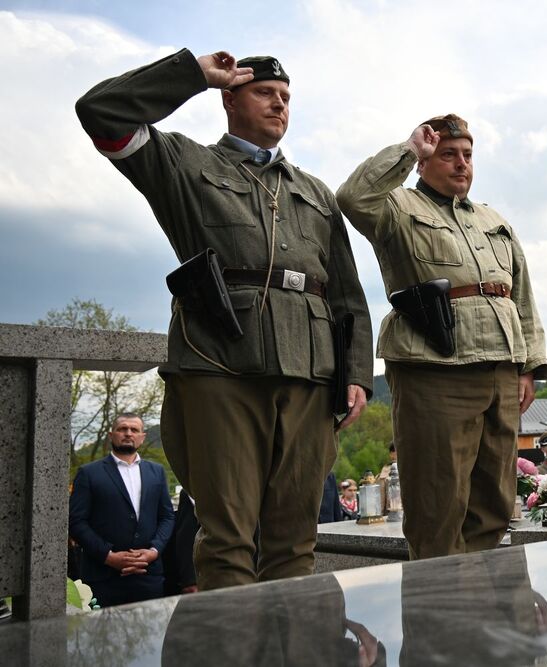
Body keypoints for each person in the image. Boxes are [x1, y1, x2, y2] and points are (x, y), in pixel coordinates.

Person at [76, 50, 374, 590]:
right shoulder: (185, 165)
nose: (279, 104)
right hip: (219, 361)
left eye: (286, 97)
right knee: (228, 537)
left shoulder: (315, 192)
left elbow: (348, 294)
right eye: (265, 93)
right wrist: (191, 73)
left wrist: (355, 373)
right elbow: (101, 112)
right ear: (229, 98)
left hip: (309, 372)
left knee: (295, 538)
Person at [337, 114, 546, 559]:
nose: (461, 164)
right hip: (435, 370)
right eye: (448, 154)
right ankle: (441, 623)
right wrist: (410, 149)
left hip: (500, 370)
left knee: (494, 504)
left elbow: (521, 295)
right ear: (426, 160)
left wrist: (529, 367)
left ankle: (489, 619)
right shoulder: (398, 208)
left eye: (467, 155)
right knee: (438, 509)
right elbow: (352, 197)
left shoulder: (494, 219)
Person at [68, 414, 175, 607]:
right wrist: (108, 556)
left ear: (142, 437)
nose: (128, 433)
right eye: (122, 429)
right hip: (103, 578)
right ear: (111, 435)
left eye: (134, 430)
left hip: (148, 575)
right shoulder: (88, 473)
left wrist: (154, 550)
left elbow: (167, 516)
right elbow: (75, 521)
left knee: (150, 636)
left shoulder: (156, 472)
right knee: (101, 636)